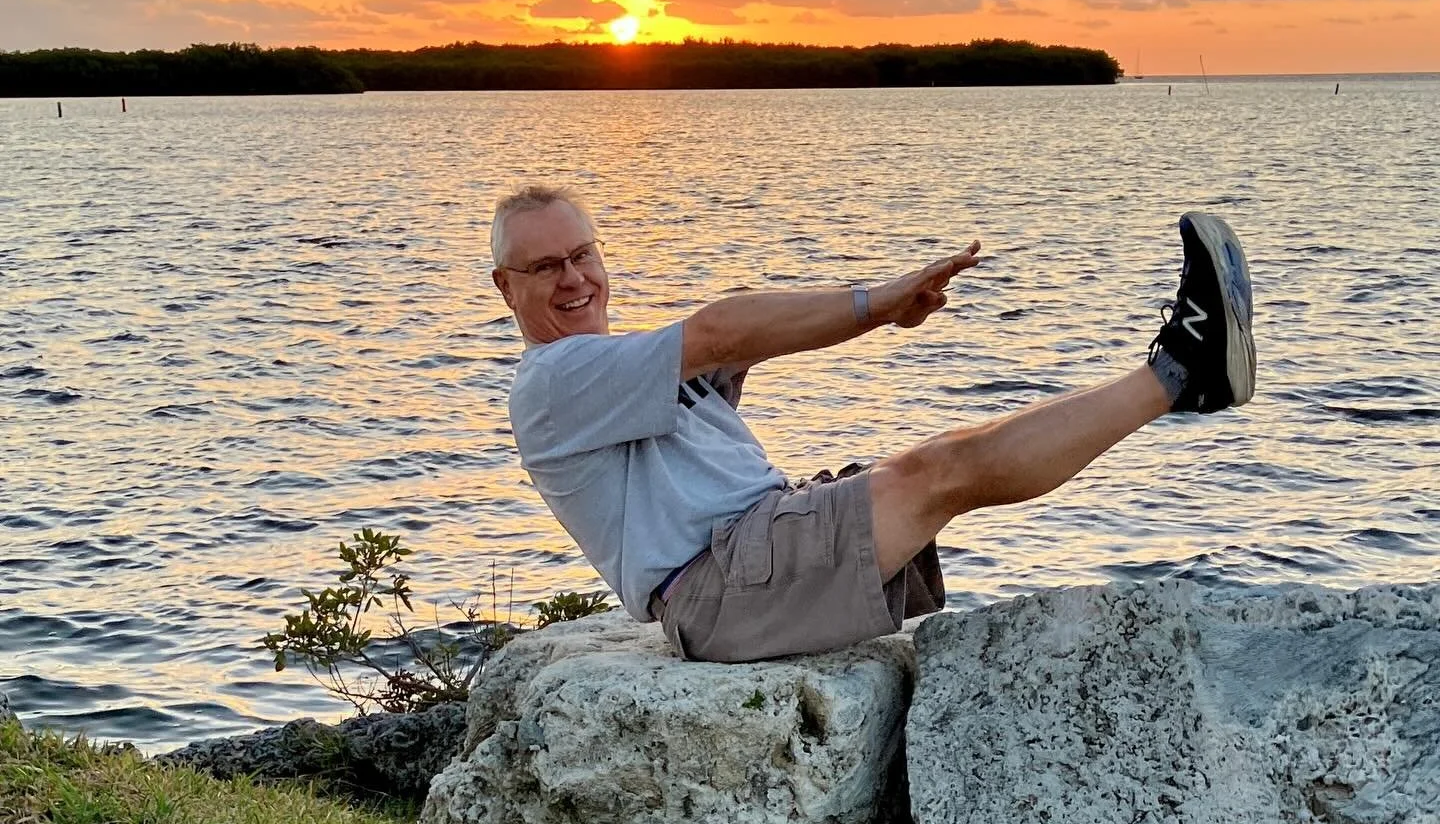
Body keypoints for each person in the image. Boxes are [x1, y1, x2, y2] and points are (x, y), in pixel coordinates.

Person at [492, 183, 1255, 663]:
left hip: (756, 542)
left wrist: (879, 313)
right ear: (506, 288)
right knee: (940, 475)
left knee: (944, 457)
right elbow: (723, 331)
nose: (574, 278)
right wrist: (878, 304)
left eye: (583, 254)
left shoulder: (611, 369)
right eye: (545, 266)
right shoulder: (553, 380)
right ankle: (1183, 371)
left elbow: (745, 338)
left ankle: (1182, 380)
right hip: (722, 585)